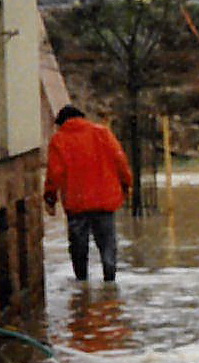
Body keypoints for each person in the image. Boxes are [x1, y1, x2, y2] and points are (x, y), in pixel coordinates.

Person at [44, 105, 133, 283]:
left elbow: (55, 172)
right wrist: (126, 184)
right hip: (104, 200)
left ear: (61, 122)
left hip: (76, 202)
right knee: (107, 243)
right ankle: (110, 279)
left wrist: (50, 198)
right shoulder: (102, 133)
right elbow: (120, 160)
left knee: (78, 245)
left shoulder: (59, 139)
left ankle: (81, 282)